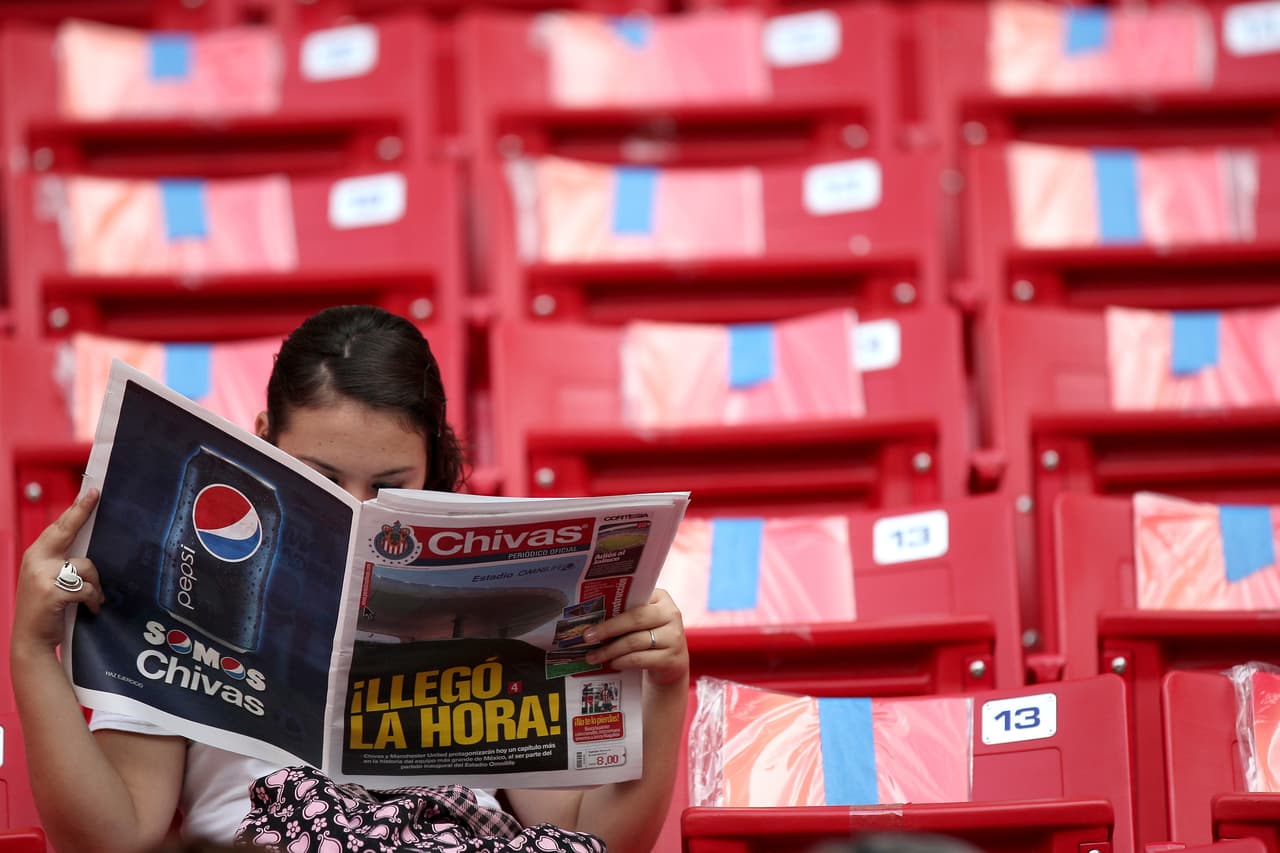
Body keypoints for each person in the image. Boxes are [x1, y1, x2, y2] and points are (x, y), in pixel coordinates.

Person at [12, 305, 690, 853]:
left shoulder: (498, 603)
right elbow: (110, 836)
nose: (354, 509)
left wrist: (664, 690)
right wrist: (29, 656)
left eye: (389, 485)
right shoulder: (185, 582)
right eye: (322, 478)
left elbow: (591, 839)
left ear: (433, 465)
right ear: (263, 440)